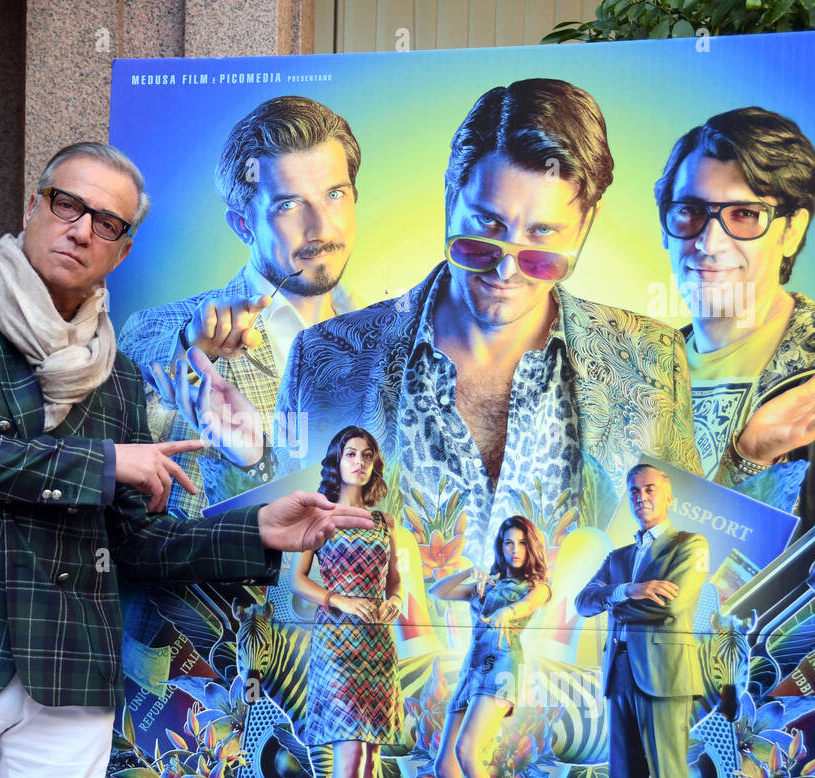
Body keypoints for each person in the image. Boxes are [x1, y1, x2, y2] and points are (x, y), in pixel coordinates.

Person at [0, 141, 374, 778]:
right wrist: (109, 461)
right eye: (67, 205)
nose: (81, 230)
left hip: (70, 665)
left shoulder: (117, 377)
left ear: (121, 250)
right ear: (34, 205)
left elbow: (139, 544)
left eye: (107, 223)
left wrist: (257, 534)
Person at [263, 78, 702, 573]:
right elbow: (280, 566)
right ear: (452, 197)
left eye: (542, 235)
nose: (506, 269)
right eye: (487, 226)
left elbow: (687, 558)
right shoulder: (325, 359)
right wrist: (242, 464)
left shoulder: (651, 359)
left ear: (587, 223)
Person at [654, 106, 815, 689]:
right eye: (690, 211)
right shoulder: (646, 365)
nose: (708, 241)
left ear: (792, 228)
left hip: (778, 743)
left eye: (744, 215)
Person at [118, 95, 363, 516]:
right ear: (243, 224)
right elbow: (132, 382)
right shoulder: (170, 328)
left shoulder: (390, 335)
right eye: (288, 204)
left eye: (334, 194)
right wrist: (188, 347)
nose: (321, 226)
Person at [575, 464, 709, 778]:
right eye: (634, 490)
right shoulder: (618, 556)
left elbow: (672, 604)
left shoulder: (689, 544)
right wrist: (629, 589)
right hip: (619, 678)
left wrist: (613, 604)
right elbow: (583, 601)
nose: (641, 496)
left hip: (665, 679)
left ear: (669, 497)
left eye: (650, 489)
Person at [290, 426, 403, 778]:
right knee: (350, 751)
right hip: (335, 642)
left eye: (367, 455)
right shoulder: (319, 516)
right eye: (351, 453)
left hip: (376, 642)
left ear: (374, 465)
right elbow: (296, 580)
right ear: (337, 461)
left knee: (370, 756)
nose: (359, 461)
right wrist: (338, 599)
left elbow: (395, 583)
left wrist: (394, 601)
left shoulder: (384, 523)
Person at [432, 515, 551, 778]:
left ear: (532, 546)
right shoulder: (489, 582)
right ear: (500, 548)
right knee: (445, 766)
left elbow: (528, 606)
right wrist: (470, 572)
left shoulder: (538, 584)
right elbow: (437, 591)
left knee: (467, 750)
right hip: (472, 669)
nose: (515, 550)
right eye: (508, 543)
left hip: (500, 667)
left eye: (521, 543)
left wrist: (508, 613)